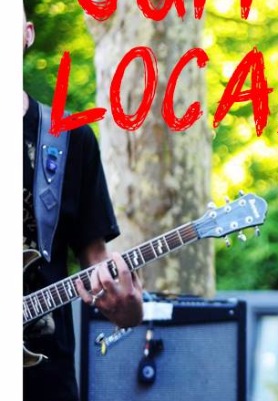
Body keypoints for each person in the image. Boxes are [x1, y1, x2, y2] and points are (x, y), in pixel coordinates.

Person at [23, 5, 144, 400]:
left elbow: (96, 261)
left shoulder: (68, 139)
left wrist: (127, 309)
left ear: (26, 34)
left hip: (45, 379)